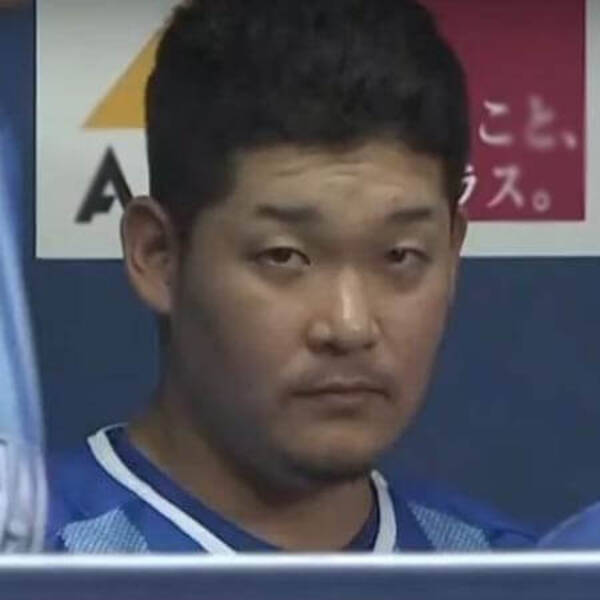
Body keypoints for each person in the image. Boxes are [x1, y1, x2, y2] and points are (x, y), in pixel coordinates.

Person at [46, 0, 535, 553]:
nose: (349, 326)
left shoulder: (508, 572)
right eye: (284, 256)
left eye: (399, 255)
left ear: (452, 253)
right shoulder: (34, 560)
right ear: (158, 254)